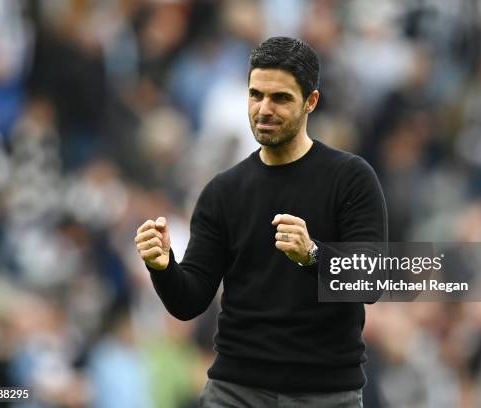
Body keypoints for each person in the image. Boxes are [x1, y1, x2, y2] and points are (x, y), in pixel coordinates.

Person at [135, 36, 387, 407]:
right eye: (256, 95)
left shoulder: (350, 178)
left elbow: (371, 281)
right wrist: (163, 266)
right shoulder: (223, 191)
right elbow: (189, 301)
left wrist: (314, 255)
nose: (264, 109)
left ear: (310, 102)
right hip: (235, 391)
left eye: (281, 98)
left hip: (325, 394)